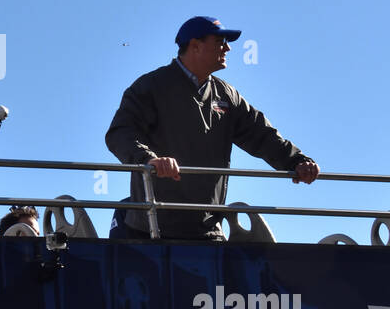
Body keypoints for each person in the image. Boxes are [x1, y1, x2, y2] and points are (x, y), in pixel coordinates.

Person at [105, 15, 318, 241]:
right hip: (152, 228)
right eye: (220, 41)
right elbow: (120, 133)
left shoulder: (227, 95)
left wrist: (296, 161)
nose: (227, 48)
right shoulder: (151, 87)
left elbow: (261, 135)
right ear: (195, 46)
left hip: (207, 229)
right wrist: (149, 160)